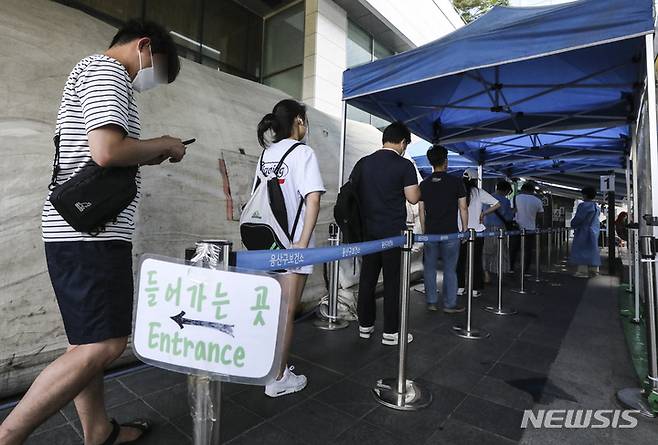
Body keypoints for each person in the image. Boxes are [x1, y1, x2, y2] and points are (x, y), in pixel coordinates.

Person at [0, 20, 186, 445]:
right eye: (156, 68)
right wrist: (164, 143)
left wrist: (145, 156)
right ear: (143, 47)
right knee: (104, 345)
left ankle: (98, 431)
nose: (149, 79)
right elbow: (106, 151)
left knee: (85, 343)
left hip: (80, 230)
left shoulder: (92, 71)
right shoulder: (107, 71)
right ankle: (8, 435)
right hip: (91, 234)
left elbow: (104, 152)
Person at [254, 99, 325, 397]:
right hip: (293, 244)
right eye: (304, 120)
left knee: (272, 308)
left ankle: (267, 366)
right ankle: (278, 377)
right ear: (298, 121)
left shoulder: (266, 154)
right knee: (286, 310)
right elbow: (313, 199)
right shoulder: (303, 153)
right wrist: (301, 245)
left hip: (267, 241)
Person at [354, 122, 420, 345]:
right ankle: (391, 332)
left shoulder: (363, 163)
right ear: (402, 142)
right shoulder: (404, 165)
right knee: (393, 282)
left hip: (368, 233)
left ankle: (365, 325)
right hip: (392, 233)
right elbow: (412, 197)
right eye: (405, 145)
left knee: (367, 280)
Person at [418, 145, 468, 313]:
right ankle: (449, 304)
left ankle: (431, 301)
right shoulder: (456, 182)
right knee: (449, 269)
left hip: (431, 233)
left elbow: (421, 211)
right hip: (451, 233)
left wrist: (425, 231)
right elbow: (463, 208)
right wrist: (465, 229)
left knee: (430, 268)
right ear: (445, 161)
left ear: (431, 162)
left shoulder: (423, 184)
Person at [457, 169, 500, 297]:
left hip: (460, 232)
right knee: (476, 261)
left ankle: (460, 288)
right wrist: (484, 213)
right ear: (475, 180)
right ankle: (475, 289)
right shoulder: (479, 192)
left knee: (460, 261)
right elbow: (497, 204)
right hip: (477, 232)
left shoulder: (458, 191)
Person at [509, 181, 544, 274]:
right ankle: (525, 270)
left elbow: (510, 212)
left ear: (522, 189)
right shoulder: (537, 200)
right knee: (528, 250)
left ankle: (511, 267)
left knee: (513, 249)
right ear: (532, 191)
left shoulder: (515, 198)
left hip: (516, 228)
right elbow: (540, 215)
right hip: (530, 229)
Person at [483, 180, 513, 279]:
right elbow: (508, 217)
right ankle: (499, 273)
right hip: (499, 228)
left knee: (486, 251)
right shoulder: (505, 201)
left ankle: (485, 273)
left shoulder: (487, 197)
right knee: (500, 252)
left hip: (486, 227)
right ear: (506, 190)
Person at [569, 186, 601, 277]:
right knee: (593, 250)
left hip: (583, 230)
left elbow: (579, 218)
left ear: (585, 195)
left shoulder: (584, 205)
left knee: (581, 250)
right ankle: (594, 270)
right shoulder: (596, 206)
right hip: (594, 230)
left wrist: (573, 224)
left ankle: (582, 271)